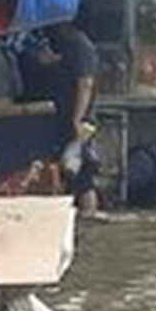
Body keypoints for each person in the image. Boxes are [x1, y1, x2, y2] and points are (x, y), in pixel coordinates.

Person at [36, 21, 100, 215]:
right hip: (63, 119)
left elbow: (85, 83)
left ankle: (88, 215)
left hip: (78, 123)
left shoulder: (80, 45)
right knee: (67, 173)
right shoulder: (58, 46)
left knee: (82, 178)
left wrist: (77, 119)